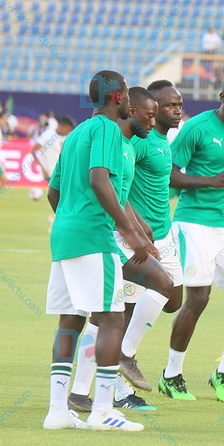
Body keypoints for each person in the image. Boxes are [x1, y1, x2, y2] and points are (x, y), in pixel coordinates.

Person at [43, 70, 151, 432]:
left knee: (70, 320)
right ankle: (103, 410)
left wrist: (72, 220)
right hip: (93, 237)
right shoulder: (106, 129)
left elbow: (53, 192)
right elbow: (99, 178)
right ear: (119, 97)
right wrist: (128, 230)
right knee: (111, 318)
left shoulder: (74, 134)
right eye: (127, 93)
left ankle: (58, 410)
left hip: (64, 237)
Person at [67, 87, 174, 414]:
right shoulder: (113, 140)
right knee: (164, 284)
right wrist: (131, 233)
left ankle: (79, 394)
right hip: (106, 238)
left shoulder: (126, 144)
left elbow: (122, 194)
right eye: (150, 114)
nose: (152, 120)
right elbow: (104, 186)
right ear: (131, 110)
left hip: (112, 236)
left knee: (101, 318)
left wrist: (141, 226)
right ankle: (124, 355)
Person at [159, 74, 224, 403]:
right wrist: (210, 181)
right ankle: (171, 375)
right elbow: (170, 173)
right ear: (222, 96)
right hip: (193, 223)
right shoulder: (197, 128)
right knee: (198, 299)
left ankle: (223, 372)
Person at [114, 81, 187, 407]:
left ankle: (122, 356)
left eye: (179, 104)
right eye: (171, 105)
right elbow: (121, 186)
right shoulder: (140, 143)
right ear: (150, 110)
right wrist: (135, 230)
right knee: (128, 310)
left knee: (173, 298)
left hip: (163, 235)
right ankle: (120, 386)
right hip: (138, 239)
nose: (178, 110)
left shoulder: (162, 140)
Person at [32, 115, 74, 183]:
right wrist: (43, 168)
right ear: (64, 127)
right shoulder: (49, 134)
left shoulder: (59, 136)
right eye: (68, 130)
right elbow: (33, 150)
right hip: (49, 173)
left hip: (56, 172)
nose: (68, 133)